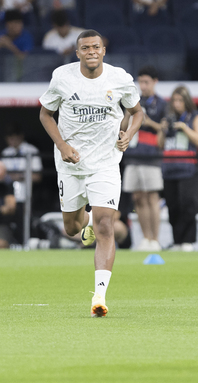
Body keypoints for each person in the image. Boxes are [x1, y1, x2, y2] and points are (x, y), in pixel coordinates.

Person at [39, 29, 143, 317]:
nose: (92, 52)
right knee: (72, 227)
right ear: (78, 52)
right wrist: (62, 145)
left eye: (96, 47)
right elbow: (45, 114)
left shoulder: (119, 78)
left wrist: (129, 133)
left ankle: (99, 295)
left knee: (106, 225)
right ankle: (84, 225)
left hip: (106, 163)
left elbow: (137, 112)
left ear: (103, 50)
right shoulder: (62, 77)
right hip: (71, 164)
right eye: (85, 48)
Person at [159, 85, 198, 252]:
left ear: (187, 101)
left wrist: (184, 128)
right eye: (174, 100)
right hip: (169, 169)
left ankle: (188, 241)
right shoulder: (169, 118)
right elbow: (159, 144)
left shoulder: (195, 118)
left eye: (180, 100)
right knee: (173, 206)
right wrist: (162, 129)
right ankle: (177, 241)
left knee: (188, 204)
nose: (177, 104)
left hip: (189, 169)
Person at [122, 66, 166, 252]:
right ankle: (146, 238)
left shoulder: (163, 104)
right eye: (141, 82)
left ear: (155, 82)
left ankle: (155, 239)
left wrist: (147, 122)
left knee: (152, 198)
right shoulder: (134, 102)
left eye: (147, 82)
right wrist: (128, 115)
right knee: (138, 198)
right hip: (133, 155)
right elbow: (123, 126)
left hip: (152, 157)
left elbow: (165, 130)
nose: (143, 85)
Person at [1, 123, 43, 243]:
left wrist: (20, 176)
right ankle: (11, 241)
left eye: (14, 136)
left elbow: (37, 176)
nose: (12, 139)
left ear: (21, 136)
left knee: (24, 220)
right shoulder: (6, 153)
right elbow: (2, 175)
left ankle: (27, 241)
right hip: (8, 192)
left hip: (27, 192)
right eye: (9, 137)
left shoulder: (31, 150)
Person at [0, 162, 17, 248]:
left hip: (2, 223)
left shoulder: (7, 186)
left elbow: (10, 208)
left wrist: (2, 209)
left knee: (1, 244)